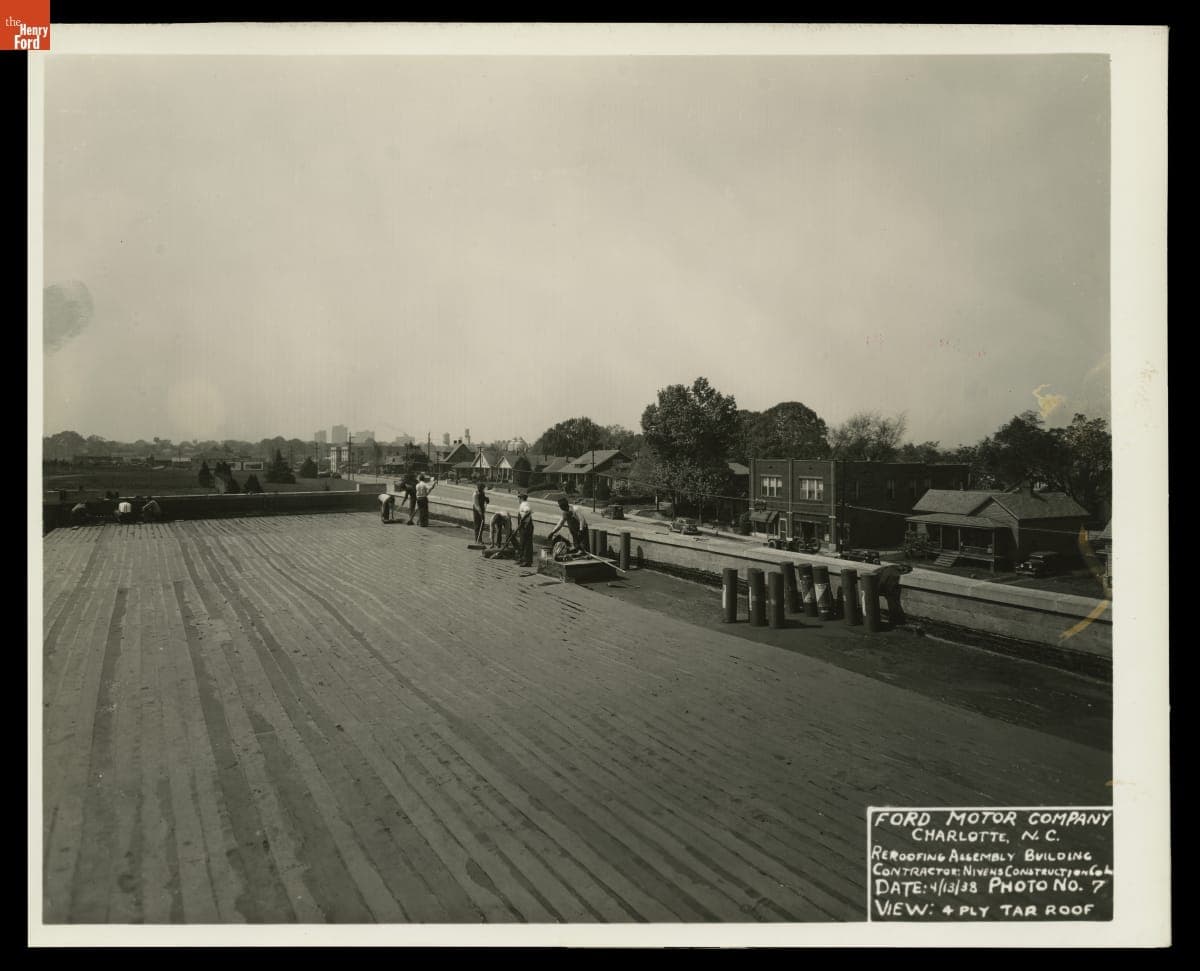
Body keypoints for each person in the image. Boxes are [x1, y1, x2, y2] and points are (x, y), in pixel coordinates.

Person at [515, 491, 534, 567]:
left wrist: (522, 520)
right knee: (522, 543)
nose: (518, 499)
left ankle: (527, 561)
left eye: (519, 498)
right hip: (524, 526)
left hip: (526, 526)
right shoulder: (524, 504)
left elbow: (528, 511)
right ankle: (522, 559)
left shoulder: (524, 504)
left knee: (527, 544)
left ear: (521, 498)